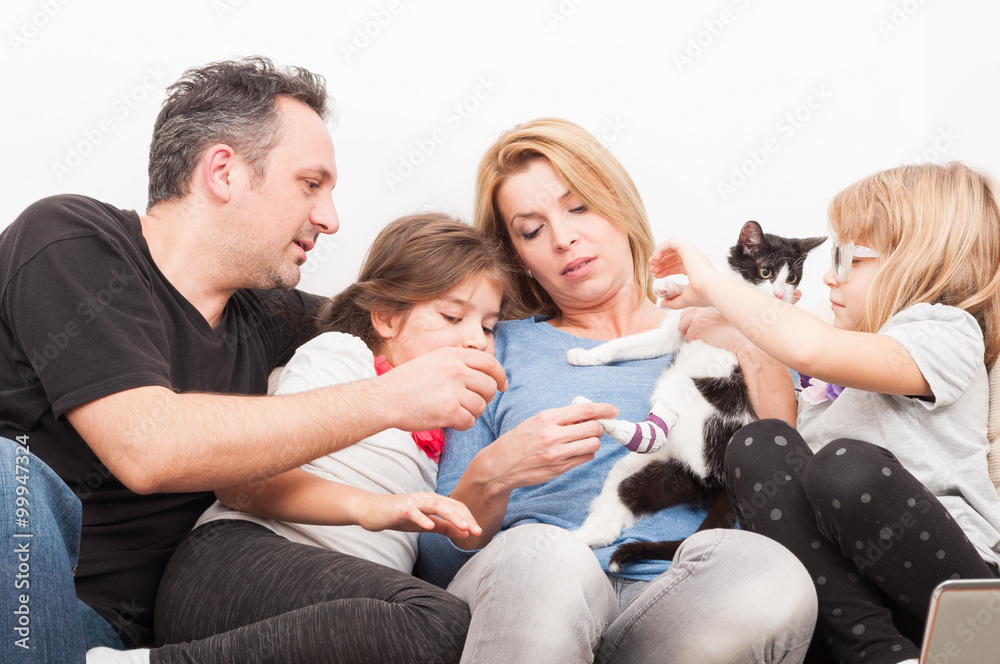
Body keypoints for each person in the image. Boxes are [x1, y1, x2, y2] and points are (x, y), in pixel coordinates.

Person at [0, 57, 506, 662]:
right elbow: (146, 446)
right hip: (34, 603)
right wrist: (390, 398)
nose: (331, 218)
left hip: (121, 639)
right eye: (310, 184)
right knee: (7, 473)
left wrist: (625, 302)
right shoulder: (70, 241)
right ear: (223, 172)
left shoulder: (270, 317)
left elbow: (413, 311)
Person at [416, 117, 818, 664]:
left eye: (578, 207)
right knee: (552, 557)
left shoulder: (740, 327)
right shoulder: (493, 346)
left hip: (676, 600)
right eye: (531, 230)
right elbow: (439, 560)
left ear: (619, 204)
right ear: (517, 259)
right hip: (533, 583)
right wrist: (495, 470)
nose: (563, 238)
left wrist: (749, 336)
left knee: (774, 576)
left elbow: (784, 495)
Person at [116, 212, 516, 664]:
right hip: (234, 564)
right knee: (441, 621)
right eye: (451, 315)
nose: (475, 341)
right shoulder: (343, 357)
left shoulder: (455, 429)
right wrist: (372, 508)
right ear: (386, 317)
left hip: (336, 615)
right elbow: (244, 485)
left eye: (487, 327)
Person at [652, 162, 1000, 664]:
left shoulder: (946, 330)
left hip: (956, 601)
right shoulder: (834, 380)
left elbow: (811, 349)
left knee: (844, 466)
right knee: (758, 445)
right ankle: (878, 656)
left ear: (918, 261)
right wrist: (733, 335)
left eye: (846, 257)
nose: (829, 277)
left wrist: (711, 282)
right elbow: (784, 458)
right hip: (865, 613)